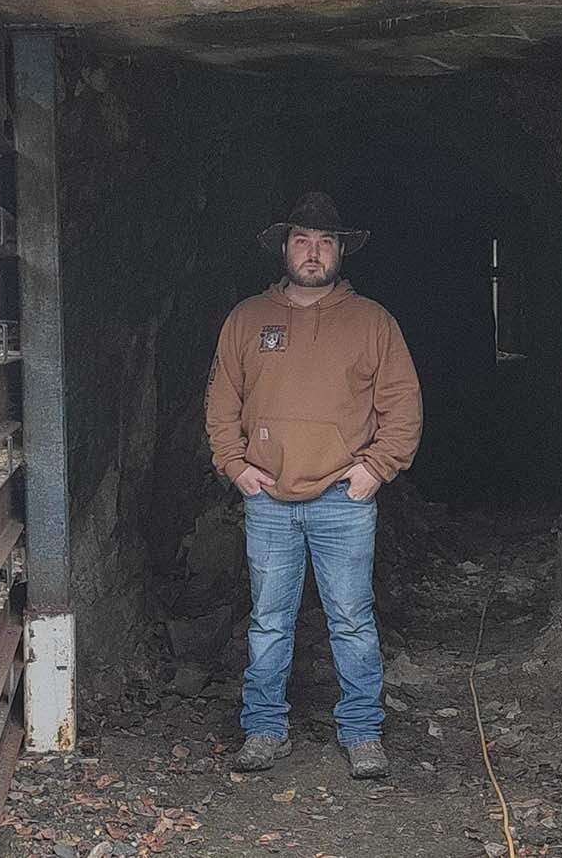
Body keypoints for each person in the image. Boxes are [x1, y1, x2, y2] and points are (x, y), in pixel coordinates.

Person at [204, 192, 423, 780]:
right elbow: (223, 398)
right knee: (269, 619)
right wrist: (234, 463)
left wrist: (375, 468)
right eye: (302, 239)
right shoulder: (248, 318)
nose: (313, 252)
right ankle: (264, 729)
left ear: (341, 252)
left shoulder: (373, 322)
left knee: (351, 618)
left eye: (326, 242)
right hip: (268, 499)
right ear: (283, 247)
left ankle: (362, 733)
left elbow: (402, 406)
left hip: (342, 502)